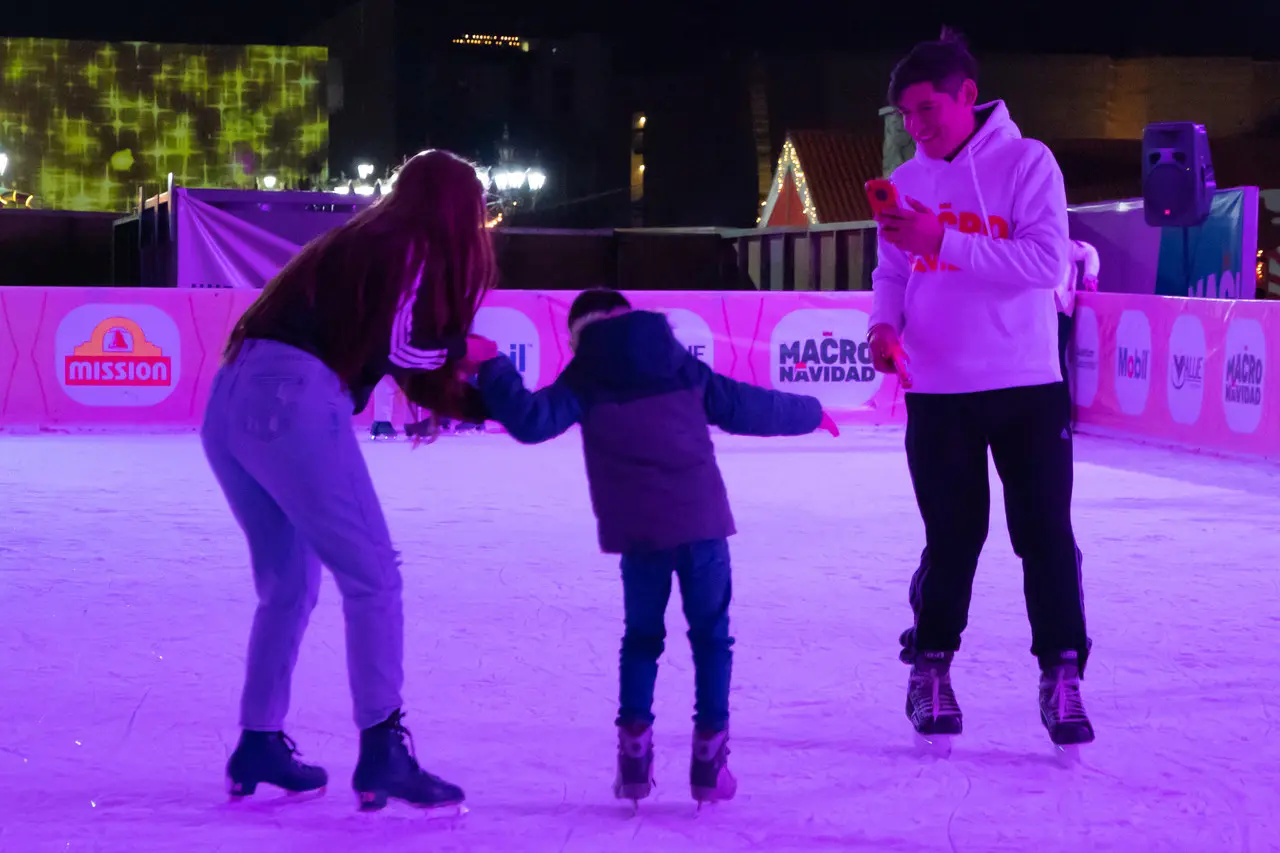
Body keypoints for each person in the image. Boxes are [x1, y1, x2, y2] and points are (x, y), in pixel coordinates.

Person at [202, 149, 497, 811]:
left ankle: (259, 739)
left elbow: (378, 342)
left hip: (232, 401)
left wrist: (446, 399)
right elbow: (401, 347)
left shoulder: (358, 240)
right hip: (293, 399)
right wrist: (463, 355)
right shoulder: (410, 242)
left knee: (288, 584)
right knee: (374, 575)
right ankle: (383, 748)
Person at [473, 289, 838, 806]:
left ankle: (634, 764)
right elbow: (746, 406)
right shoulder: (678, 365)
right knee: (712, 639)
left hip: (639, 534)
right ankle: (710, 764)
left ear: (579, 334)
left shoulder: (586, 375)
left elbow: (532, 421)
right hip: (701, 523)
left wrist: (492, 367)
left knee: (642, 639)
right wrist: (811, 412)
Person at [866, 30, 1094, 752]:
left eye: (927, 108)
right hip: (936, 390)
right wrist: (883, 326)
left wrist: (944, 241)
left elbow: (1042, 262)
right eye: (905, 113)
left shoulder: (1029, 162)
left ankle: (1062, 674)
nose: (915, 126)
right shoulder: (905, 183)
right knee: (953, 537)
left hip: (1028, 385)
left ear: (968, 95)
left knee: (1045, 536)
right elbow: (893, 274)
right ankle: (930, 667)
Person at [1055, 239, 1100, 429]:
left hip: (1060, 309)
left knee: (1056, 362)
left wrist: (1090, 276)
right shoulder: (1031, 242)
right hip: (1037, 312)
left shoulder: (1066, 244)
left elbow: (1090, 251)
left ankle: (1063, 418)